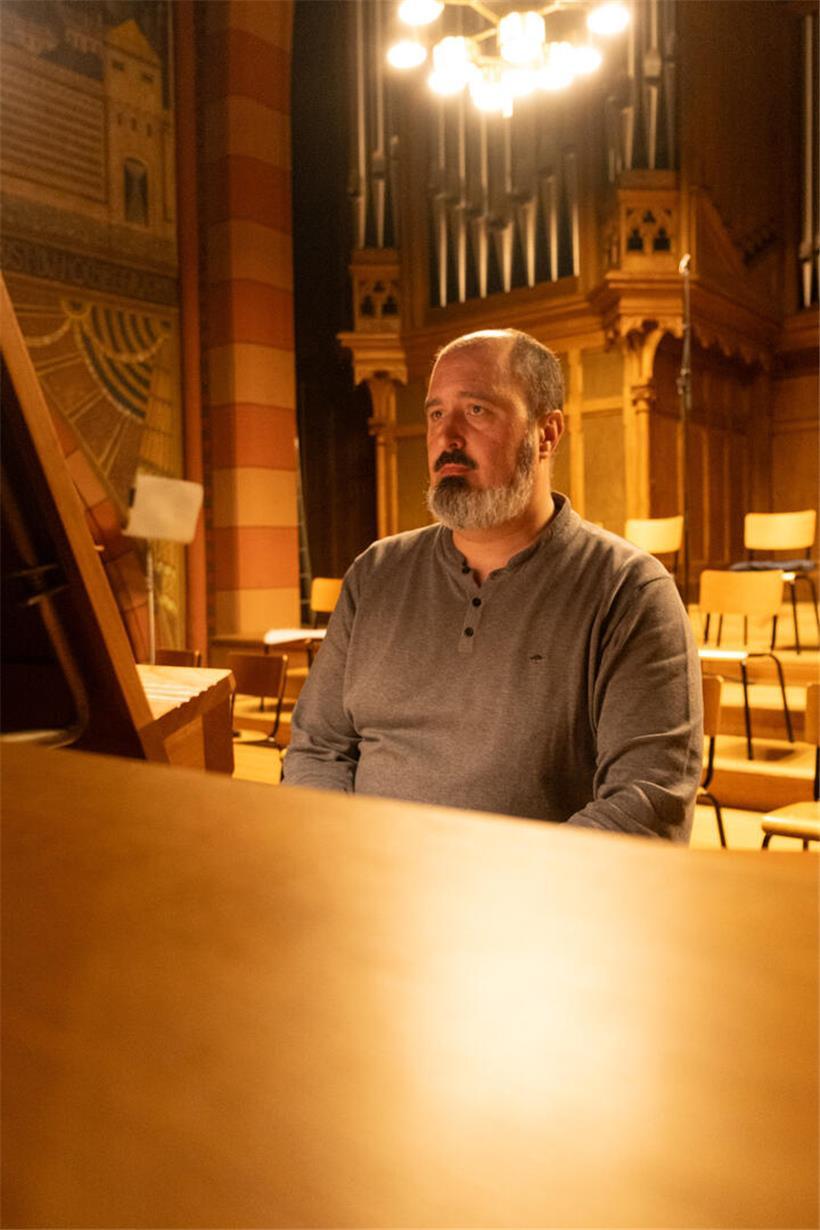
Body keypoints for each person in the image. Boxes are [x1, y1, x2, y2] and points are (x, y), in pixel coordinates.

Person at [283, 328, 703, 841]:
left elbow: (646, 806)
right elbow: (316, 748)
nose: (446, 437)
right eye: (437, 413)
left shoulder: (630, 594)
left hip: (530, 908)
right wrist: (342, 856)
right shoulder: (376, 574)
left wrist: (481, 889)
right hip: (362, 888)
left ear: (546, 434)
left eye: (476, 410)